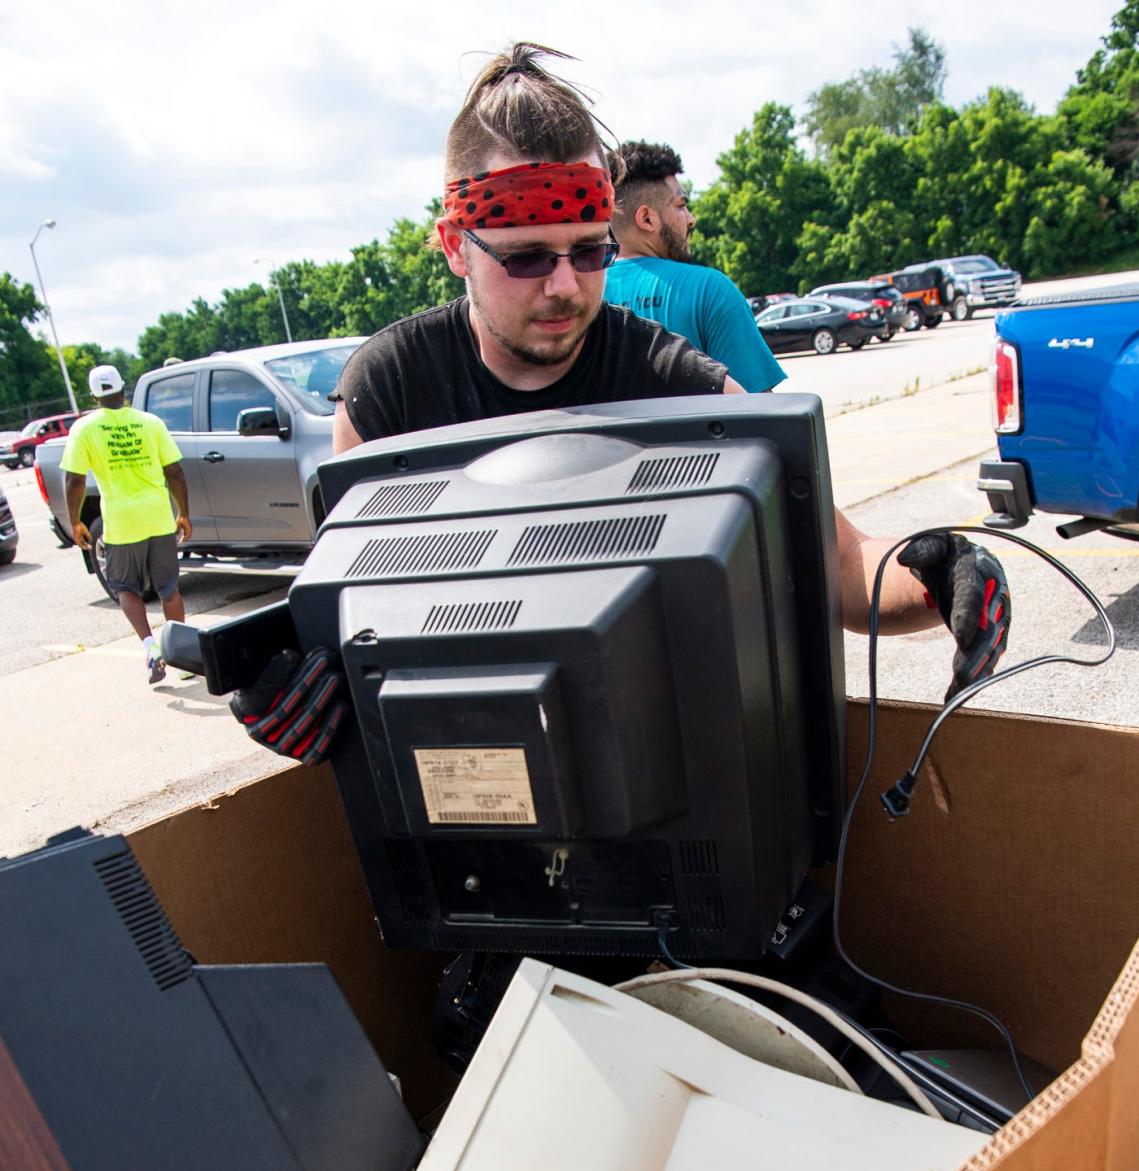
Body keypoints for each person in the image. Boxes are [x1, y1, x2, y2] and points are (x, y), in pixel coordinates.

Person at [243, 43, 1007, 761]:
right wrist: (293, 694)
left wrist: (939, 576)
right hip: (471, 779)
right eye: (527, 257)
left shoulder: (671, 379)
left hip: (660, 773)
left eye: (588, 251)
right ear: (454, 245)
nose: (565, 285)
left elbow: (837, 562)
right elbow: (356, 613)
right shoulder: (390, 388)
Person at [604, 141, 786, 395]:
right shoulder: (710, 291)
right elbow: (759, 414)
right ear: (647, 218)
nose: (691, 219)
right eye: (680, 206)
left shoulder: (578, 295)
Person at [62, 364, 192, 685]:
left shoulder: (84, 429)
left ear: (93, 396)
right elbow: (174, 472)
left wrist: (75, 520)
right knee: (169, 588)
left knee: (124, 587)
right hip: (158, 517)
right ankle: (184, 658)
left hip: (121, 523)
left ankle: (151, 648)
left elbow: (74, 480)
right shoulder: (150, 422)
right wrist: (183, 513)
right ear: (124, 389)